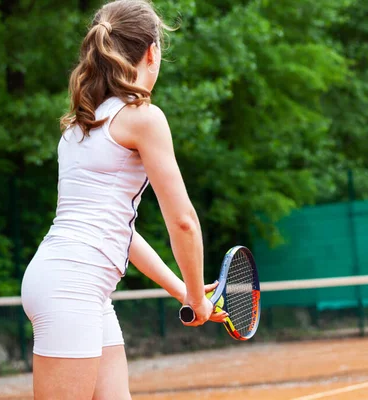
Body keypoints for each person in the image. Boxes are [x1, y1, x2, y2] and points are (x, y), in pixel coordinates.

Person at [20, 1, 227, 399]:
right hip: (73, 287)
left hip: (74, 283)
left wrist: (186, 290)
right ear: (152, 52)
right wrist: (199, 297)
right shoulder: (144, 118)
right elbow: (183, 220)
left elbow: (122, 234)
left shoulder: (83, 124)